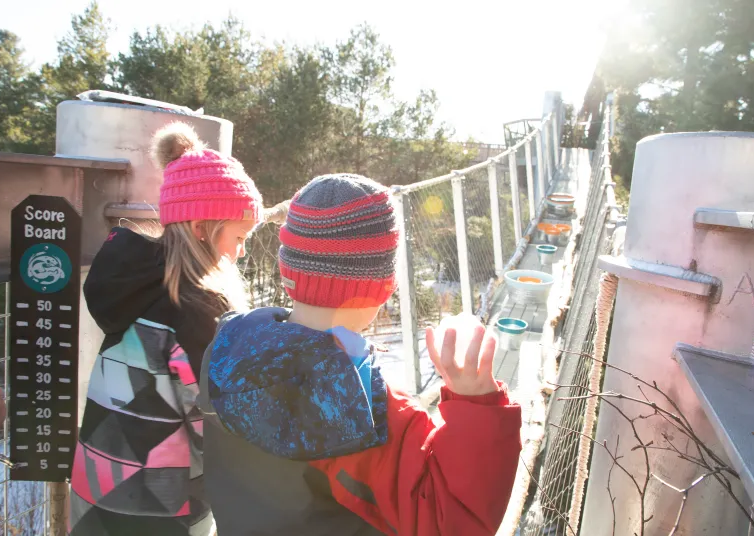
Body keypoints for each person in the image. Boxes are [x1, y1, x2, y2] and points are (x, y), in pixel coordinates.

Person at [201, 174, 523, 536]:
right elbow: (452, 523)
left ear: (288, 268)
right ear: (383, 286)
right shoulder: (370, 416)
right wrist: (477, 405)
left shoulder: (225, 349)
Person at [69, 122, 267, 536]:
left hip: (94, 495)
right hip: (160, 511)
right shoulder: (199, 312)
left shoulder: (133, 286)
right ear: (201, 230)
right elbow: (221, 427)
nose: (242, 251)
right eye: (239, 236)